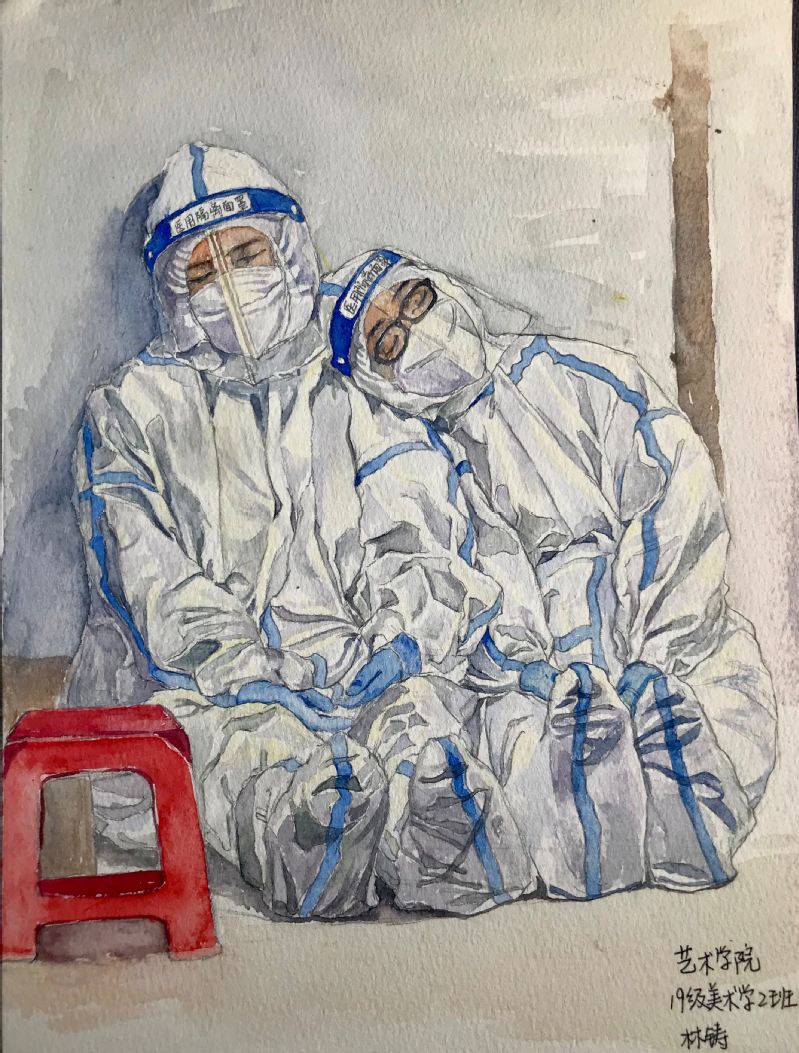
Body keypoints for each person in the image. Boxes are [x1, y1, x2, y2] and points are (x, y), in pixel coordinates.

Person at [64, 144, 541, 918]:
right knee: (236, 746)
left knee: (416, 721)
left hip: (354, 668)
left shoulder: (349, 381)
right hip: (204, 680)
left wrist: (396, 639)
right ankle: (305, 840)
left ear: (285, 250)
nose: (231, 285)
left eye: (245, 254)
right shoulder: (130, 407)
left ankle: (440, 838)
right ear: (173, 291)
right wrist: (246, 671)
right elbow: (148, 577)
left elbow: (414, 526)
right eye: (202, 270)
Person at [318, 248, 778, 898]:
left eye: (416, 301)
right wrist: (517, 666)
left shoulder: (565, 372)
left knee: (708, 687)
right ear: (375, 379)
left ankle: (685, 800)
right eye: (389, 342)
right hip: (528, 672)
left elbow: (673, 489)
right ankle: (593, 822)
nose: (418, 332)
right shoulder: (405, 465)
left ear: (444, 285)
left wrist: (655, 646)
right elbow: (438, 580)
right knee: (514, 742)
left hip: (637, 617)